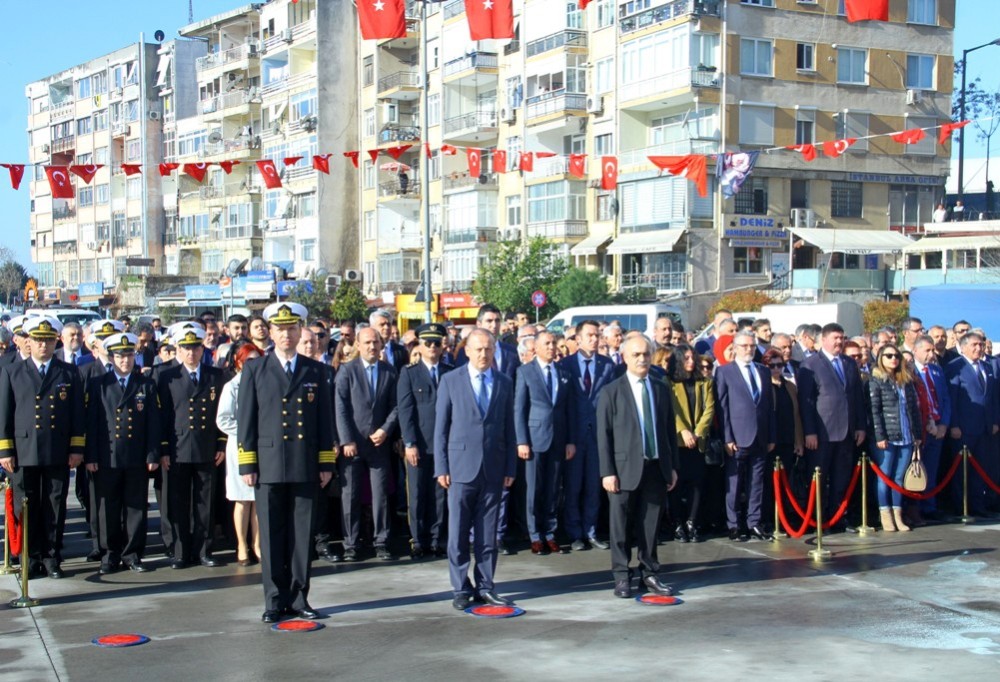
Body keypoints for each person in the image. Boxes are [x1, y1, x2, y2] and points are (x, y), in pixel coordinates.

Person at [237, 302, 336, 624]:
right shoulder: (255, 369)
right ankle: (274, 600)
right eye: (280, 329)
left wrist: (325, 463)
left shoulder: (316, 370)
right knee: (271, 534)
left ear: (300, 331)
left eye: (292, 329)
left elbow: (324, 421)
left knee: (301, 536)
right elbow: (246, 420)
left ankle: (299, 597)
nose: (287, 335)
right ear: (271, 332)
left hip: (305, 464)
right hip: (268, 464)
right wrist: (247, 464)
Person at [434, 329, 517, 610]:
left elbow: (509, 428)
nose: (484, 354)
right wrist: (441, 467)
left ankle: (485, 585)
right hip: (459, 469)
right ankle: (460, 587)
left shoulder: (504, 383)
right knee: (457, 533)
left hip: (493, 468)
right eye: (479, 349)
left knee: (488, 533)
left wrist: (510, 467)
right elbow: (440, 429)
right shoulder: (450, 381)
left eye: (489, 349)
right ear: (466, 351)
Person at [0, 316, 86, 579]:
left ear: (55, 342)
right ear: (28, 341)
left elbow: (76, 414)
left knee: (54, 504)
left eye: (48, 340)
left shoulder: (68, 372)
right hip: (24, 451)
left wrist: (76, 447)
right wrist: (5, 450)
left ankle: (50, 556)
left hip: (56, 448)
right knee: (25, 506)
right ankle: (29, 556)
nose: (43, 346)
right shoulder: (12, 371)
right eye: (38, 340)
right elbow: (5, 413)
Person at [597, 334, 678, 598]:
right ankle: (621, 576)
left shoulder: (660, 387)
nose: (642, 359)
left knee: (650, 525)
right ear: (624, 357)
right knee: (620, 525)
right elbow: (603, 435)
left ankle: (650, 573)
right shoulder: (611, 391)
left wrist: (672, 466)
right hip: (622, 470)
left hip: (655, 466)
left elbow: (667, 430)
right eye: (636, 354)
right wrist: (607, 471)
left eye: (645, 354)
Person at [85, 332, 161, 575]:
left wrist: (152, 455)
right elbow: (93, 424)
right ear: (112, 357)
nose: (125, 360)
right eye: (120, 356)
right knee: (108, 507)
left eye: (129, 355)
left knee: (136, 507)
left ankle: (133, 553)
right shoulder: (100, 384)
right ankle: (109, 554)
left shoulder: (145, 384)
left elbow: (153, 423)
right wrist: (92, 456)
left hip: (136, 455)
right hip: (108, 455)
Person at [157, 327, 228, 569]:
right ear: (178, 350)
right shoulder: (167, 376)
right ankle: (180, 551)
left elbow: (221, 413)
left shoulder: (215, 376)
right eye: (186, 348)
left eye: (196, 348)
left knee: (204, 502)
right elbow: (163, 415)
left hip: (206, 447)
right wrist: (164, 449)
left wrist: (221, 443)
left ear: (202, 349)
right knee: (178, 502)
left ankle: (204, 549)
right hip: (177, 448)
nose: (191, 353)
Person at [335, 326, 398, 561]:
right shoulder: (346, 371)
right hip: (353, 444)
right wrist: (346, 439)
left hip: (379, 444)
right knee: (350, 495)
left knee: (380, 495)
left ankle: (381, 541)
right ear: (359, 346)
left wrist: (386, 429)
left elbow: (396, 405)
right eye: (368, 343)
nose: (372, 347)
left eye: (376, 342)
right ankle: (351, 543)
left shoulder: (390, 372)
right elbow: (340, 407)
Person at [797, 323, 867, 529]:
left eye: (841, 337)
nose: (839, 342)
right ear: (824, 339)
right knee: (819, 478)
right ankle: (816, 519)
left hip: (846, 432)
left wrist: (860, 426)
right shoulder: (810, 365)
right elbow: (806, 402)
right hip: (822, 433)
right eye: (835, 338)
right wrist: (810, 432)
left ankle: (838, 518)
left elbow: (856, 398)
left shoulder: (848, 363)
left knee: (841, 478)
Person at [514, 330, 576, 555]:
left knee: (552, 489)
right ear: (536, 348)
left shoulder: (562, 372)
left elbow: (568, 409)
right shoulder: (525, 371)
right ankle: (534, 535)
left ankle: (549, 532)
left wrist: (570, 440)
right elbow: (519, 408)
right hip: (534, 438)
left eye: (553, 343)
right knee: (534, 488)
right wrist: (521, 440)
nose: (552, 347)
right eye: (547, 344)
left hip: (558, 439)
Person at [559, 319, 615, 552]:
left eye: (597, 335)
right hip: (574, 435)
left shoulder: (607, 365)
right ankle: (575, 533)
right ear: (578, 339)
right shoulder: (566, 365)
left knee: (593, 485)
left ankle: (591, 531)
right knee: (573, 486)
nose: (595, 339)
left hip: (598, 436)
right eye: (590, 335)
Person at [715, 331, 776, 541]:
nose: (748, 349)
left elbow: (768, 407)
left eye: (751, 345)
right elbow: (722, 408)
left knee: (757, 482)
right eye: (744, 346)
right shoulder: (725, 372)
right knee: (735, 482)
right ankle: (734, 524)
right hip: (738, 437)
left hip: (760, 436)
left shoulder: (763, 371)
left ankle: (754, 522)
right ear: (735, 347)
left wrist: (770, 436)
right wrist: (727, 438)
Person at [397, 323, 451, 560]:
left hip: (446, 444)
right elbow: (405, 411)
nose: (432, 347)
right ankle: (418, 540)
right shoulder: (409, 373)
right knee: (417, 494)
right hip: (419, 443)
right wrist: (409, 443)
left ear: (442, 346)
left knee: (440, 494)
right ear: (419, 344)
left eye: (436, 343)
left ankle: (437, 538)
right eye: (427, 343)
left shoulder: (451, 371)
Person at [216, 342, 262, 566]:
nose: (252, 364)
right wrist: (247, 431)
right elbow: (223, 419)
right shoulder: (232, 386)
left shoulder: (264, 384)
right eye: (248, 360)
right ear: (238, 363)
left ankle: (258, 544)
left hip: (262, 447)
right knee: (242, 499)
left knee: (258, 499)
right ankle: (242, 544)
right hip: (240, 446)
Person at [868, 345, 922, 532]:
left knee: (899, 477)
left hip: (906, 435)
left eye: (896, 356)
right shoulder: (875, 380)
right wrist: (880, 436)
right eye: (888, 356)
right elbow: (874, 410)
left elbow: (914, 410)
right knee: (884, 477)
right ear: (881, 358)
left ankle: (898, 515)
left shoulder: (905, 381)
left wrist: (917, 435)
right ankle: (885, 515)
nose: (893, 359)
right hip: (887, 437)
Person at [945, 331, 999, 517]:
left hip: (984, 427)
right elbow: (951, 398)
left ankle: (978, 504)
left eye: (981, 344)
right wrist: (954, 425)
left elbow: (991, 398)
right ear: (964, 346)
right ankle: (962, 506)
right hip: (963, 427)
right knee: (961, 470)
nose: (979, 348)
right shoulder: (955, 366)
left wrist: (993, 421)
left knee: (981, 468)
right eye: (974, 345)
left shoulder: (987, 367)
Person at [667, 344, 715, 543]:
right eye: (686, 358)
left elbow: (710, 408)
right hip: (678, 442)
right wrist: (683, 431)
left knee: (697, 483)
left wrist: (697, 433)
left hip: (697, 441)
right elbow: (672, 409)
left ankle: (691, 522)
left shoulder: (704, 381)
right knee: (677, 485)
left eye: (692, 357)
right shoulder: (669, 382)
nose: (691, 361)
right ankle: (677, 523)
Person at [911, 336, 951, 522]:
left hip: (938, 428)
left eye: (932, 350)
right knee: (918, 470)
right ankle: (915, 508)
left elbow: (945, 398)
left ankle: (930, 506)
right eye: (926, 350)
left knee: (932, 469)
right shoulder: (910, 372)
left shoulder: (936, 370)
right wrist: (925, 423)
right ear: (915, 351)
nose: (931, 354)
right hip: (921, 429)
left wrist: (943, 423)